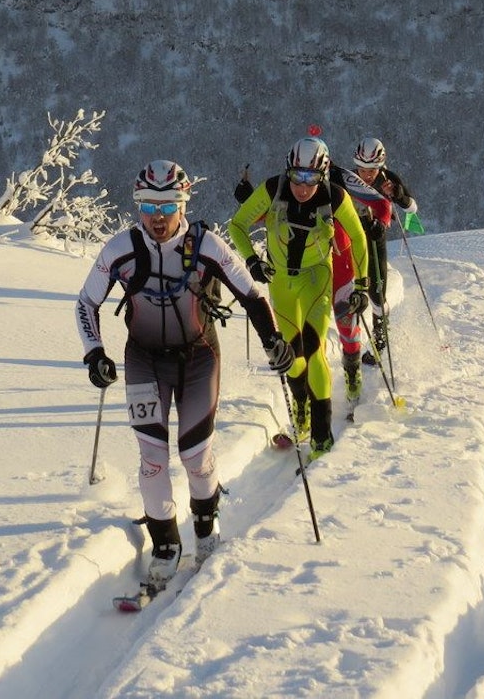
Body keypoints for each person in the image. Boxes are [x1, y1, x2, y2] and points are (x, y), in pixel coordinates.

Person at [77, 160, 293, 592]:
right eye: (147, 205)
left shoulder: (208, 245)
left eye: (168, 204)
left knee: (195, 454)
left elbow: (251, 294)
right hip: (143, 360)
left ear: (183, 203)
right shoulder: (119, 249)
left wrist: (273, 340)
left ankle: (206, 523)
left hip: (198, 358)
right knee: (152, 457)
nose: (157, 216)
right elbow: (86, 303)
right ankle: (165, 543)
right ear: (137, 206)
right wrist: (94, 353)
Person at [228, 138, 369, 459]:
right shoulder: (273, 188)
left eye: (311, 178)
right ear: (287, 171)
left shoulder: (334, 195)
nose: (303, 186)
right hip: (281, 282)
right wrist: (251, 259)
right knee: (292, 356)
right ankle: (300, 410)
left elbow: (358, 236)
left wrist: (362, 284)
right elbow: (237, 225)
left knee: (315, 348)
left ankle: (321, 434)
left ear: (322, 175)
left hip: (317, 278)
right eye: (297, 176)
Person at [331, 137, 420, 365]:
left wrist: (398, 194)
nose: (367, 174)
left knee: (376, 294)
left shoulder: (388, 179)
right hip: (350, 240)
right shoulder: (349, 179)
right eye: (362, 168)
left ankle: (379, 343)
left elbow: (412, 208)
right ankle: (351, 341)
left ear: (381, 165)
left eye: (372, 169)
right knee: (350, 290)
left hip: (375, 239)